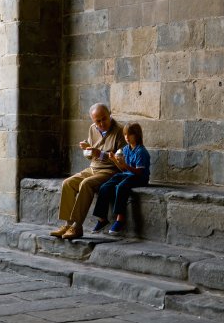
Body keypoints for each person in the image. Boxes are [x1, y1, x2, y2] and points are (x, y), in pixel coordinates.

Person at [50, 103, 126, 240]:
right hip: (93, 167)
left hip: (110, 170)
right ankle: (67, 224)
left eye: (104, 119)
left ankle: (77, 226)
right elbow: (91, 154)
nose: (101, 123)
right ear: (93, 120)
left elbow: (121, 162)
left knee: (86, 184)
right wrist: (87, 150)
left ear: (110, 114)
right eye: (98, 121)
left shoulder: (120, 131)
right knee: (68, 183)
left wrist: (100, 154)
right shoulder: (92, 128)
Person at [92, 122, 150, 236]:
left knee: (121, 187)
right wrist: (114, 160)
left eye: (130, 135)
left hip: (140, 178)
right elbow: (123, 170)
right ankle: (102, 218)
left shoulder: (141, 151)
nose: (127, 138)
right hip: (128, 174)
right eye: (125, 135)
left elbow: (139, 172)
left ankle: (120, 218)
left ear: (137, 135)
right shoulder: (126, 149)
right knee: (105, 186)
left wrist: (125, 165)